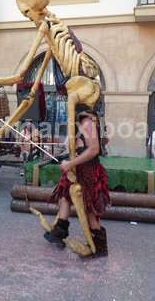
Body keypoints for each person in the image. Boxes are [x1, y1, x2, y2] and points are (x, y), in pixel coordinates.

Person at [44, 106, 110, 257]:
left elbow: (93, 150)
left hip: (88, 171)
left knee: (89, 209)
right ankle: (59, 232)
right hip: (77, 169)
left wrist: (70, 163)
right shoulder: (83, 122)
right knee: (65, 195)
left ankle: (100, 246)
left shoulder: (87, 122)